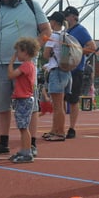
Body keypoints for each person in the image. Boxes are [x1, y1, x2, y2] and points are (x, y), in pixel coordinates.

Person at [0, 0, 51, 158]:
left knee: (28, 105)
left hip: (25, 65)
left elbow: (47, 32)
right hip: (1, 63)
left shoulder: (32, 6)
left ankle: (31, 144)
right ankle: (3, 142)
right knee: (1, 104)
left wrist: (31, 50)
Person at [62, 6, 96, 139]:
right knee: (62, 99)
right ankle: (61, 126)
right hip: (65, 69)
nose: (65, 18)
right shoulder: (66, 31)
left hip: (76, 69)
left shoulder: (80, 30)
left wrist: (77, 51)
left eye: (67, 16)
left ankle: (72, 128)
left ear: (73, 16)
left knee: (73, 100)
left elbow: (92, 47)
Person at [7, 37, 40, 163]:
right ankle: (24, 150)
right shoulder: (30, 65)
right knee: (22, 127)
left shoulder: (26, 65)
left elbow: (10, 75)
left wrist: (11, 61)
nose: (17, 54)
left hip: (24, 99)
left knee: (23, 127)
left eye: (19, 51)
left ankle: (27, 152)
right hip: (24, 99)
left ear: (25, 52)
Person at [41, 11, 72, 141]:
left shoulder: (53, 36)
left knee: (57, 106)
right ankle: (55, 130)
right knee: (59, 104)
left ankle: (60, 132)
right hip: (66, 72)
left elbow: (46, 55)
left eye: (51, 21)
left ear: (54, 22)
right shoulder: (66, 35)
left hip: (56, 72)